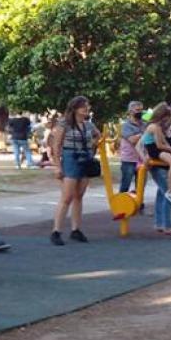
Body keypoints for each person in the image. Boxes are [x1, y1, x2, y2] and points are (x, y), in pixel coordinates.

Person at [49, 96, 100, 246]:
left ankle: (76, 229)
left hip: (85, 159)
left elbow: (98, 135)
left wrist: (94, 144)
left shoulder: (88, 125)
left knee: (79, 196)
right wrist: (57, 166)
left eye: (87, 106)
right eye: (83, 106)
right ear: (75, 108)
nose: (86, 109)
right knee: (67, 197)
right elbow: (56, 146)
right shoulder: (64, 123)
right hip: (70, 158)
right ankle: (56, 231)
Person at [118, 102, 145, 195]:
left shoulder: (144, 124)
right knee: (126, 184)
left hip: (141, 158)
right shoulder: (126, 125)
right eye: (137, 110)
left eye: (141, 110)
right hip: (128, 159)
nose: (140, 112)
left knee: (140, 185)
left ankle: (138, 203)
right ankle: (121, 204)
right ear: (130, 111)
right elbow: (132, 140)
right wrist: (143, 134)